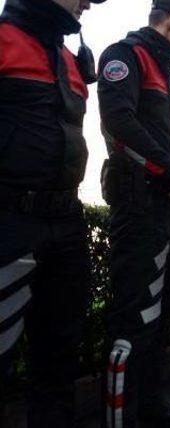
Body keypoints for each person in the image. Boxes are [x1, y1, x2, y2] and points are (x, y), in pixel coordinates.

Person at [98, 1, 170, 426]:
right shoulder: (125, 56)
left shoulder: (160, 68)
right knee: (132, 315)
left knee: (155, 312)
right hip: (138, 201)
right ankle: (121, 417)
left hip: (160, 204)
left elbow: (164, 139)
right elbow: (120, 126)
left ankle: (150, 407)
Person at [0, 0, 104, 425]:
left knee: (60, 353)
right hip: (10, 219)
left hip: (66, 220)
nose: (86, 4)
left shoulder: (67, 55)